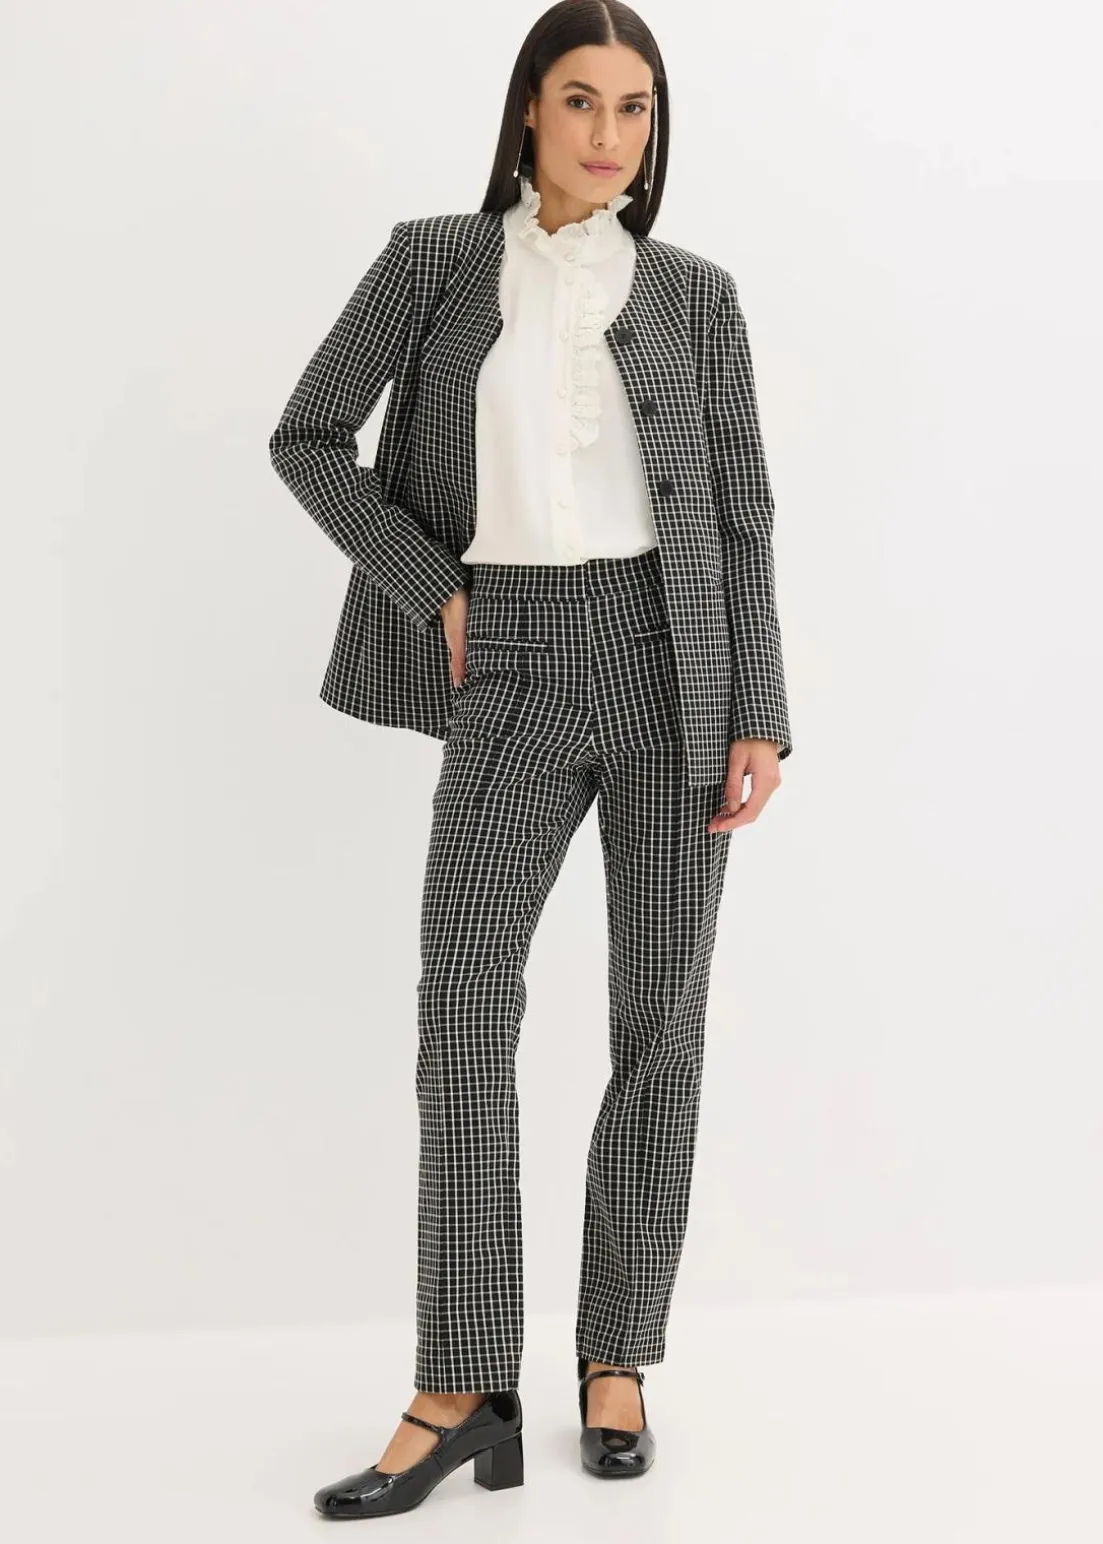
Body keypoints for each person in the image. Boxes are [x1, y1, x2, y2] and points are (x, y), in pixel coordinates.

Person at [268, 0, 792, 1518]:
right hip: (502, 653)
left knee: (658, 1017)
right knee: (461, 1013)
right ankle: (461, 1388)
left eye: (634, 110)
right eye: (580, 102)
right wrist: (428, 586)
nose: (608, 136)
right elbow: (309, 436)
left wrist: (759, 708)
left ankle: (616, 1357)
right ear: (526, 113)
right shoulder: (433, 261)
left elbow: (743, 510)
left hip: (671, 663)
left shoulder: (695, 295)